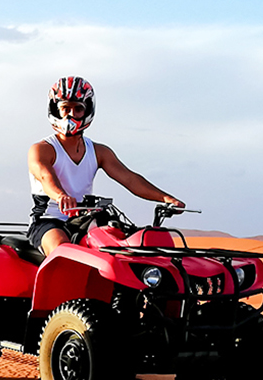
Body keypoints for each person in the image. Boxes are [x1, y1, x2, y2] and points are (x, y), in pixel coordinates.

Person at [28, 76, 185, 256]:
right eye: (65, 108)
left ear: (87, 110)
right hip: (48, 221)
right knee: (63, 251)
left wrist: (166, 198)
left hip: (84, 219)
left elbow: (130, 179)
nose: (70, 115)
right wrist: (61, 195)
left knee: (124, 245)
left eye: (78, 109)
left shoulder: (99, 152)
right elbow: (45, 177)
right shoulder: (42, 149)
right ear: (55, 110)